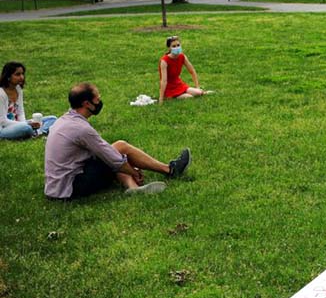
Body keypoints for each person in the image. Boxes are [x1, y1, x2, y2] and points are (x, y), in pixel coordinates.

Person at [44, 82, 192, 199]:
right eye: (97, 99)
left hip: (55, 187)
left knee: (113, 152)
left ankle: (133, 188)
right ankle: (170, 170)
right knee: (120, 147)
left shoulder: (64, 120)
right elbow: (113, 159)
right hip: (70, 187)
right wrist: (133, 171)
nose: (100, 101)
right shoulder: (81, 128)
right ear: (87, 104)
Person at [1, 62, 56, 140]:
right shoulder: (1, 94)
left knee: (52, 119)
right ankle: (37, 132)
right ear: (8, 76)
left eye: (22, 74)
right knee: (26, 128)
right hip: (3, 128)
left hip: (19, 124)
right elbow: (2, 121)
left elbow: (20, 113)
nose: (22, 77)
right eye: (17, 74)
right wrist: (26, 124)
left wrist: (27, 123)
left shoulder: (18, 89)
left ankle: (38, 132)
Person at [159, 36, 207, 105]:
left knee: (198, 93)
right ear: (169, 48)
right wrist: (161, 98)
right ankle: (170, 97)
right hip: (169, 88)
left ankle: (202, 92)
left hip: (179, 84)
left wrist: (197, 87)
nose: (177, 47)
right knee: (189, 97)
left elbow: (192, 71)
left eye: (178, 45)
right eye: (174, 46)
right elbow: (164, 81)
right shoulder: (164, 61)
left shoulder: (182, 56)